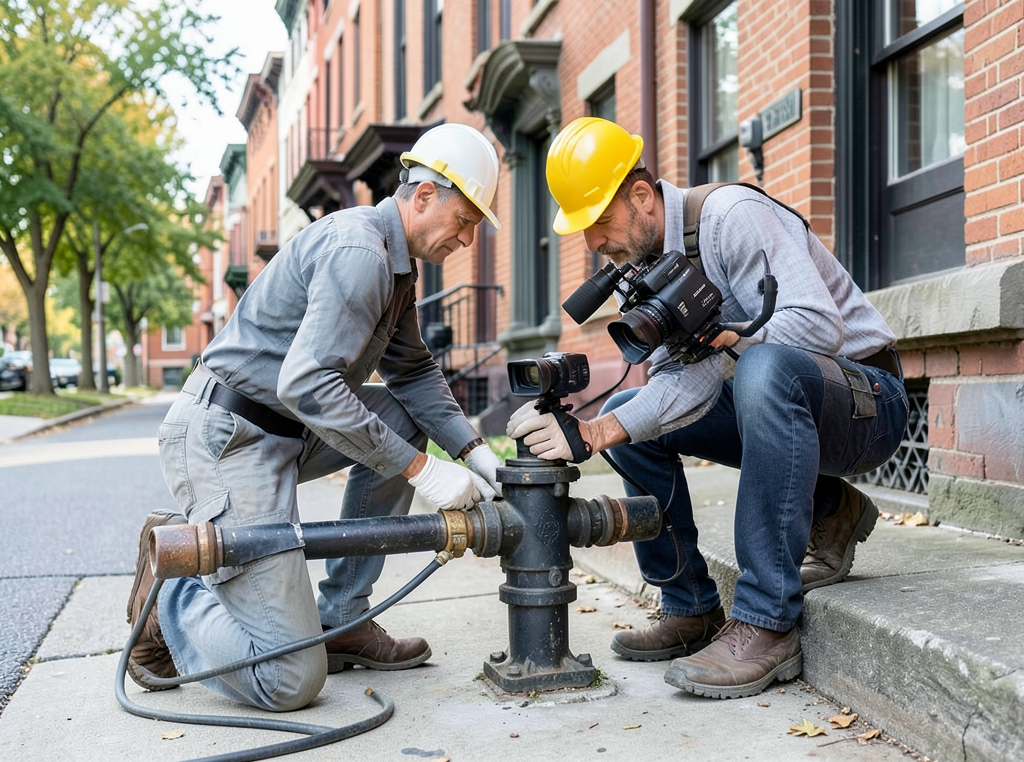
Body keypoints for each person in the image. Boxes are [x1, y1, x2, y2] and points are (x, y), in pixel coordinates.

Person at [508, 117, 909, 699]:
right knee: (635, 414)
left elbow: (821, 326)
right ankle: (691, 605)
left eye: (599, 223)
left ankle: (767, 620)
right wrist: (596, 432)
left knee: (763, 369)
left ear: (641, 196)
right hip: (782, 403)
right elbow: (680, 388)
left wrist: (731, 335)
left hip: (867, 401)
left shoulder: (731, 216)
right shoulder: (646, 267)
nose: (593, 243)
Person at [127, 123, 505, 711]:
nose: (467, 239)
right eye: (465, 221)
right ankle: (174, 584)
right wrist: (421, 473)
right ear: (425, 196)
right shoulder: (359, 251)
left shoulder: (397, 265)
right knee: (288, 680)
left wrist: (476, 454)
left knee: (403, 414)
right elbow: (306, 384)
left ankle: (345, 618)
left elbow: (413, 374)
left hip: (287, 433)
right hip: (229, 440)